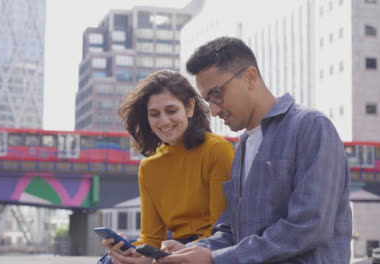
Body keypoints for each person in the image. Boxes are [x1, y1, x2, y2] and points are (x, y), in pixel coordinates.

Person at [157, 37, 352, 263]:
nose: (213, 109)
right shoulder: (242, 148)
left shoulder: (311, 127)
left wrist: (215, 259)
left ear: (250, 77)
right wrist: (191, 250)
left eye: (216, 94)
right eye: (207, 100)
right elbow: (233, 231)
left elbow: (308, 226)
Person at [100, 70, 234, 264]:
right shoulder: (148, 167)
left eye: (171, 111)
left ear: (189, 108)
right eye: (154, 114)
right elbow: (151, 238)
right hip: (171, 249)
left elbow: (222, 230)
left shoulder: (217, 150)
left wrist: (185, 249)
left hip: (210, 249)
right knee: (109, 261)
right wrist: (128, 252)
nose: (163, 121)